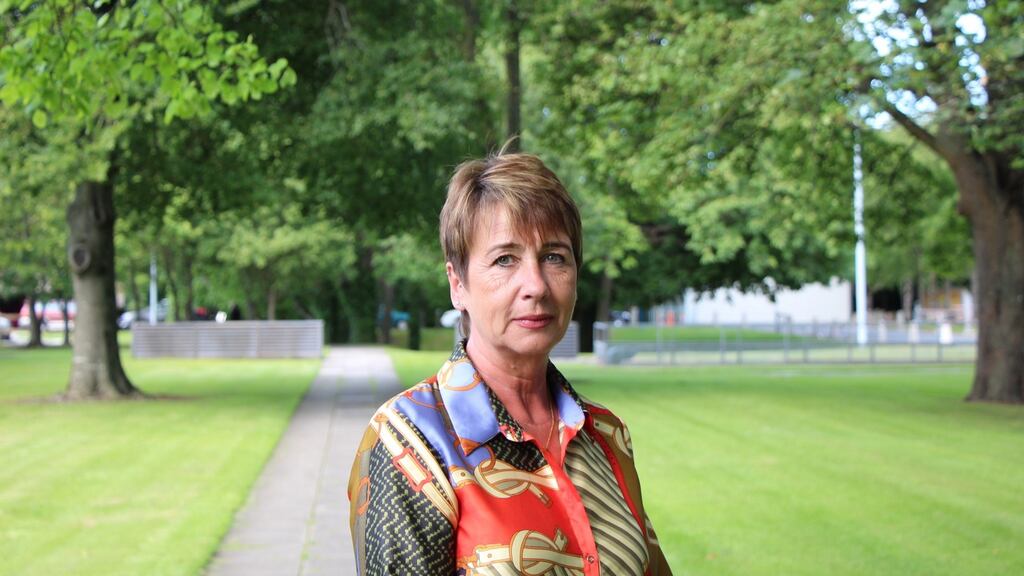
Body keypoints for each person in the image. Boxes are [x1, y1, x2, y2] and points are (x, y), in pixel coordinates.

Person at [348, 150, 672, 575]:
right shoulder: (409, 442)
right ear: (457, 284)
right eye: (505, 259)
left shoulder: (606, 435)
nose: (535, 285)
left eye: (554, 256)